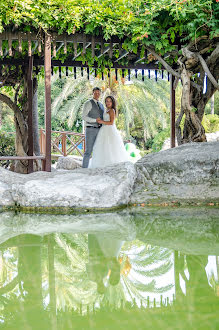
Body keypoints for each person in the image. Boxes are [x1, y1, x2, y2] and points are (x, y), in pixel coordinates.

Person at [89, 95, 130, 168]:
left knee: (110, 147)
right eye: (107, 101)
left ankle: (110, 164)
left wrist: (101, 121)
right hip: (103, 130)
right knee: (102, 146)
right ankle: (101, 164)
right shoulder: (106, 110)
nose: (108, 103)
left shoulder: (112, 110)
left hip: (110, 130)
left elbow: (111, 122)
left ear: (112, 102)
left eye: (110, 101)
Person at [82, 87, 104, 168]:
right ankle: (84, 169)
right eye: (95, 93)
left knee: (98, 150)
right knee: (88, 151)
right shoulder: (88, 103)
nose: (97, 94)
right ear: (93, 93)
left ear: (100, 94)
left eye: (99, 93)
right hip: (90, 129)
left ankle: (94, 168)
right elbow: (84, 117)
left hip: (100, 130)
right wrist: (95, 120)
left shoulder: (101, 105)